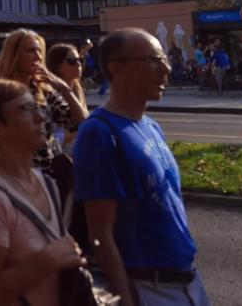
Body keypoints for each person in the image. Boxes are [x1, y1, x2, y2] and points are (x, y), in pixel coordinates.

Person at [74, 28, 210, 306]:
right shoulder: (99, 133)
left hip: (188, 282)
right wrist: (124, 298)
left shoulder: (151, 127)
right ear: (117, 68)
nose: (167, 68)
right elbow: (100, 233)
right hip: (149, 288)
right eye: (153, 60)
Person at [0, 79, 84, 306]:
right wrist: (48, 259)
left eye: (37, 108)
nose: (41, 118)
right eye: (26, 110)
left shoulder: (47, 184)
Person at [0, 29, 88, 187]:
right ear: (15, 55)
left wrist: (64, 89)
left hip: (47, 182)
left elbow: (82, 124)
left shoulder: (44, 92)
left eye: (40, 51)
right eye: (31, 50)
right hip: (14, 182)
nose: (38, 57)